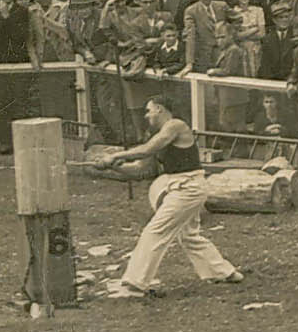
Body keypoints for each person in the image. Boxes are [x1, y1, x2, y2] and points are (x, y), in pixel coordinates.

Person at [101, 97, 245, 298]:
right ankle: (225, 273)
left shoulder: (175, 125)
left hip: (189, 187)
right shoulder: (157, 135)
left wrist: (116, 156)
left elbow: (146, 150)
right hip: (179, 187)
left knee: (155, 231)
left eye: (148, 110)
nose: (146, 115)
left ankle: (135, 283)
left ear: (159, 109)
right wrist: (115, 168)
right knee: (189, 236)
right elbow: (142, 171)